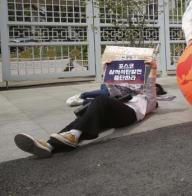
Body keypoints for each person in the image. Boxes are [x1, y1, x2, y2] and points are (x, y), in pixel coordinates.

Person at [14, 59, 159, 158]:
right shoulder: (126, 92)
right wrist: (107, 71)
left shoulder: (148, 101)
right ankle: (49, 145)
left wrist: (153, 69)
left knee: (101, 100)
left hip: (130, 115)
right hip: (116, 111)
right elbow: (113, 92)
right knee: (86, 118)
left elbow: (150, 87)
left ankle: (73, 135)